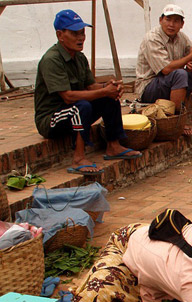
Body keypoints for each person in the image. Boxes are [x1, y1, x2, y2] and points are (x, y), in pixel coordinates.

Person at [34, 9, 141, 177]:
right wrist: (103, 91)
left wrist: (109, 87)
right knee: (80, 106)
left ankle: (113, 145)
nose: (81, 38)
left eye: (82, 33)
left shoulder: (79, 57)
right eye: (75, 33)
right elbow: (68, 97)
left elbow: (91, 86)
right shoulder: (51, 60)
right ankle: (78, 158)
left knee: (108, 97)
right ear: (60, 35)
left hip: (72, 111)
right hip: (50, 119)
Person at [135, 4, 192, 134]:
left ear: (182, 24)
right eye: (168, 20)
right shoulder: (152, 38)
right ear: (160, 20)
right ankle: (177, 121)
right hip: (149, 88)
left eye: (176, 21)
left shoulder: (181, 37)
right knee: (179, 74)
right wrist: (191, 56)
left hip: (169, 82)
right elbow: (166, 69)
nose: (171, 24)